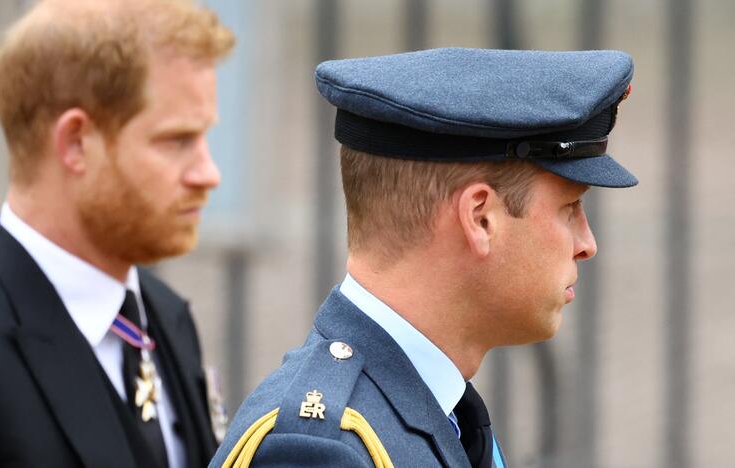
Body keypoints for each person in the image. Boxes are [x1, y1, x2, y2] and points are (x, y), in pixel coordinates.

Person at [210, 48, 637, 467]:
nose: (586, 243)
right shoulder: (322, 450)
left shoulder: (445, 413)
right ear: (480, 218)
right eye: (569, 209)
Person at [0, 1, 234, 467]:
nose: (208, 173)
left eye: (205, 138)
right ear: (76, 142)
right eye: (177, 141)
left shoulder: (165, 317)